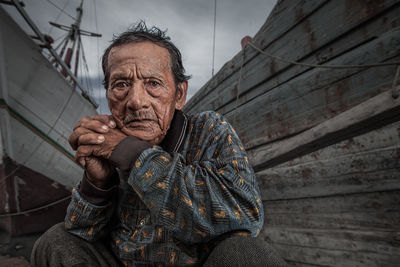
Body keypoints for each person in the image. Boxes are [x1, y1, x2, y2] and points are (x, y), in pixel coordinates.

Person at [31, 22, 286, 267]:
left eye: (153, 83)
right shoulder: (108, 139)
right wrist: (98, 184)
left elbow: (245, 214)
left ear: (179, 94)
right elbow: (80, 230)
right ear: (108, 94)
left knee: (247, 255)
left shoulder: (208, 130)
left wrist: (132, 156)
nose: (136, 102)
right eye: (120, 84)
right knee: (55, 242)